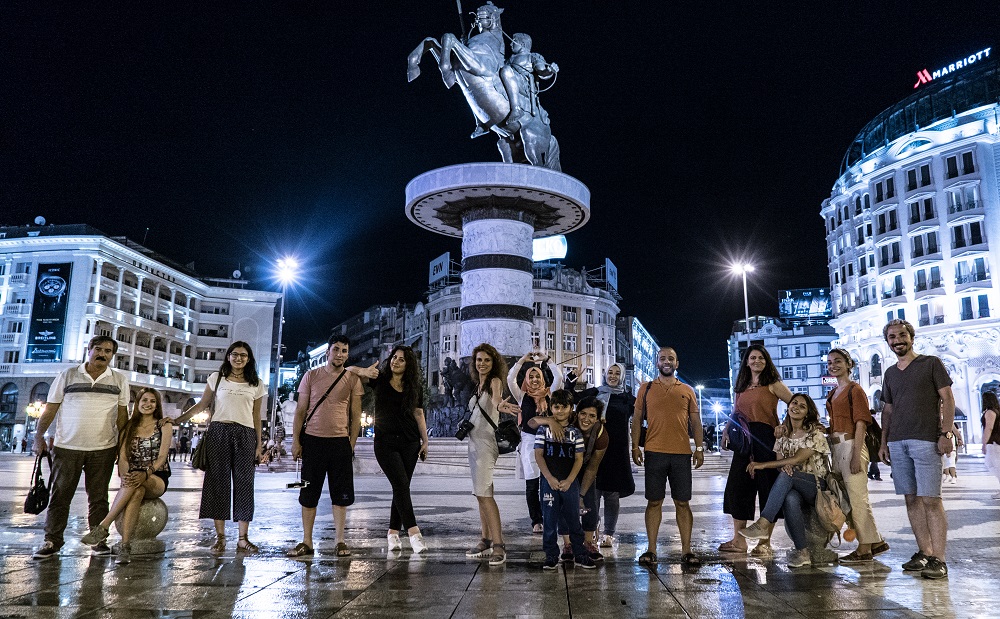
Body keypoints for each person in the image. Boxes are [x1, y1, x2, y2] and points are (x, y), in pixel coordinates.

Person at [31, 336, 130, 560]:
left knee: (98, 498)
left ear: (112, 355)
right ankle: (52, 540)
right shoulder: (67, 375)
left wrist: (122, 448)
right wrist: (38, 437)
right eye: (98, 349)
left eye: (108, 351)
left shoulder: (119, 380)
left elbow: (122, 417)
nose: (102, 354)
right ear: (89, 350)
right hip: (67, 447)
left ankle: (98, 540)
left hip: (104, 448)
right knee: (60, 496)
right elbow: (50, 409)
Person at [877, 319, 955, 580]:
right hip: (897, 442)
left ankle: (939, 559)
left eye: (902, 335)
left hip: (925, 440)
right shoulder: (890, 373)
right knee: (911, 499)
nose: (897, 340)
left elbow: (947, 397)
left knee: (931, 499)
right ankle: (924, 551)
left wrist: (946, 433)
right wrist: (883, 442)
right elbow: (888, 410)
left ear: (911, 337)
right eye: (892, 337)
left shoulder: (930, 363)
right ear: (887, 342)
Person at [285, 334, 372, 559]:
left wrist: (350, 445)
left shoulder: (352, 379)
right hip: (313, 441)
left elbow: (355, 415)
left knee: (341, 495)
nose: (340, 354)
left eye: (344, 351)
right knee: (308, 493)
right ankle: (307, 541)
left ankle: (340, 541)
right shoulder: (311, 376)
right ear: (328, 352)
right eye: (336, 349)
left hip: (339, 443)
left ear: (348, 354)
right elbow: (300, 411)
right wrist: (296, 441)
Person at [174, 341, 265, 554]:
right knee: (217, 483)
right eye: (235, 354)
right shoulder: (217, 378)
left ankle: (243, 538)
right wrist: (177, 420)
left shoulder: (256, 383)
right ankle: (220, 537)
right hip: (219, 431)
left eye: (243, 355)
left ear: (249, 359)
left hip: (246, 433)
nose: (238, 358)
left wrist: (258, 445)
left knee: (244, 484)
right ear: (228, 356)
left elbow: (256, 416)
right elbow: (201, 405)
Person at [80, 388, 172, 564]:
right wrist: (124, 477)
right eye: (144, 400)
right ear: (137, 403)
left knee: (137, 484)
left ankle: (103, 526)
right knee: (136, 492)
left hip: (156, 476)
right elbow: (122, 458)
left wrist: (146, 473)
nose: (148, 404)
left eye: (152, 401)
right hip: (133, 478)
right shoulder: (129, 427)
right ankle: (125, 546)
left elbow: (162, 457)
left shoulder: (163, 425)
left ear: (157, 405)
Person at [631, 347, 704, 566]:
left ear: (676, 363)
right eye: (662, 358)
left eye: (671, 358)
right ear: (657, 363)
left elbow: (696, 422)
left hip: (681, 453)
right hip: (654, 451)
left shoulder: (687, 390)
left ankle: (687, 550)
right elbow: (636, 420)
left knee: (683, 502)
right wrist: (635, 447)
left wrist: (699, 448)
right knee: (654, 501)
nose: (666, 361)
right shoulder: (646, 388)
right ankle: (651, 549)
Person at [739, 394, 830, 569]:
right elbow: (781, 464)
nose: (796, 407)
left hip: (815, 485)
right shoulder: (782, 436)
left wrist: (762, 465)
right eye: (794, 403)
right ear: (788, 407)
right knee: (790, 498)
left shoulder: (815, 434)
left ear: (808, 412)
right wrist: (784, 467)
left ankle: (763, 523)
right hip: (794, 485)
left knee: (789, 474)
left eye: (802, 406)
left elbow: (797, 459)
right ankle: (802, 552)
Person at [719, 344, 793, 556]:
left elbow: (795, 403)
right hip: (744, 440)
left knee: (767, 489)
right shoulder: (741, 386)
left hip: (765, 438)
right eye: (753, 358)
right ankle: (739, 541)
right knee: (738, 488)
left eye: (761, 358)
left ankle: (764, 543)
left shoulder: (773, 384)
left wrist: (784, 425)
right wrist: (726, 432)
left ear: (766, 361)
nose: (757, 361)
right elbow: (735, 411)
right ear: (747, 362)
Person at [824, 348, 889, 564]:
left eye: (838, 361)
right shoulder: (833, 393)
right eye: (830, 362)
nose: (833, 365)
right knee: (847, 499)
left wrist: (855, 456)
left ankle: (864, 548)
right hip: (837, 448)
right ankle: (875, 541)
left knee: (857, 498)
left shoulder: (855, 390)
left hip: (852, 445)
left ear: (848, 364)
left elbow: (861, 423)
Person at [464, 343, 521, 566]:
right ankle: (485, 539)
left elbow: (496, 400)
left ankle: (499, 545)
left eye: (487, 360)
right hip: (474, 444)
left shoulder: (494, 381)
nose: (482, 363)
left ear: (493, 362)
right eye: (479, 360)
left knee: (485, 495)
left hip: (486, 444)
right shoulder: (478, 385)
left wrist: (500, 406)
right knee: (481, 493)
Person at [371, 345, 430, 554]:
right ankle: (414, 533)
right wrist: (363, 370)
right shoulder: (379, 380)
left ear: (408, 365)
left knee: (401, 488)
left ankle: (393, 533)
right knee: (401, 485)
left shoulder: (414, 387)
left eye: (401, 359)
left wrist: (425, 441)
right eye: (394, 357)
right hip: (385, 442)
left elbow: (418, 414)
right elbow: (350, 371)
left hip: (410, 442)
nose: (396, 361)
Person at [535, 389, 596, 570]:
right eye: (556, 407)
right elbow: (539, 455)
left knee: (574, 520)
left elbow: (578, 459)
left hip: (570, 483)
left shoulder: (575, 433)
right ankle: (551, 555)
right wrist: (549, 478)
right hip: (549, 482)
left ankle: (580, 553)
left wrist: (570, 480)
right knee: (549, 520)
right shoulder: (543, 430)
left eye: (564, 407)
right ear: (551, 408)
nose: (560, 411)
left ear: (571, 408)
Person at [577, 363, 635, 547]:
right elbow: (572, 398)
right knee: (592, 493)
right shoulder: (595, 393)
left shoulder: (627, 398)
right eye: (610, 372)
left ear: (622, 377)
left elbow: (645, 412)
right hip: (595, 449)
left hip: (616, 452)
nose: (613, 376)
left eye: (617, 373)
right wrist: (572, 379)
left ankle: (609, 533)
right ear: (605, 374)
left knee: (611, 495)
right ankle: (592, 528)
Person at [507, 351, 562, 534]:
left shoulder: (550, 393)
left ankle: (551, 516)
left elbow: (559, 377)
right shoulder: (522, 396)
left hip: (550, 441)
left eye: (537, 376)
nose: (535, 380)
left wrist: (547, 359)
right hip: (529, 442)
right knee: (532, 484)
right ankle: (536, 520)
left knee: (550, 482)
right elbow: (510, 379)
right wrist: (522, 361)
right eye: (531, 377)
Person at [564, 396, 607, 561]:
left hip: (586, 467)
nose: (586, 419)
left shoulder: (601, 434)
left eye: (592, 416)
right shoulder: (567, 422)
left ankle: (588, 542)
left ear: (597, 419)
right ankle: (568, 544)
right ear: (576, 413)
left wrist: (581, 496)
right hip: (564, 467)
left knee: (590, 502)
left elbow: (592, 468)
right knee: (564, 503)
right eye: (583, 414)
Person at [498, 32, 558, 133]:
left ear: (522, 44)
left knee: (506, 70)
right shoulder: (509, 59)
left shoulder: (533, 56)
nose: (510, 44)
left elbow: (542, 72)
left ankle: (516, 109)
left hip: (524, 85)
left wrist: (549, 70)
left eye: (514, 42)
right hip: (511, 81)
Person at [981, 391, 1000, 499]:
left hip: (993, 443)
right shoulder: (997, 411)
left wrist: (984, 443)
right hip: (996, 442)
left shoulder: (990, 412)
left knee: (994, 465)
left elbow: (989, 428)